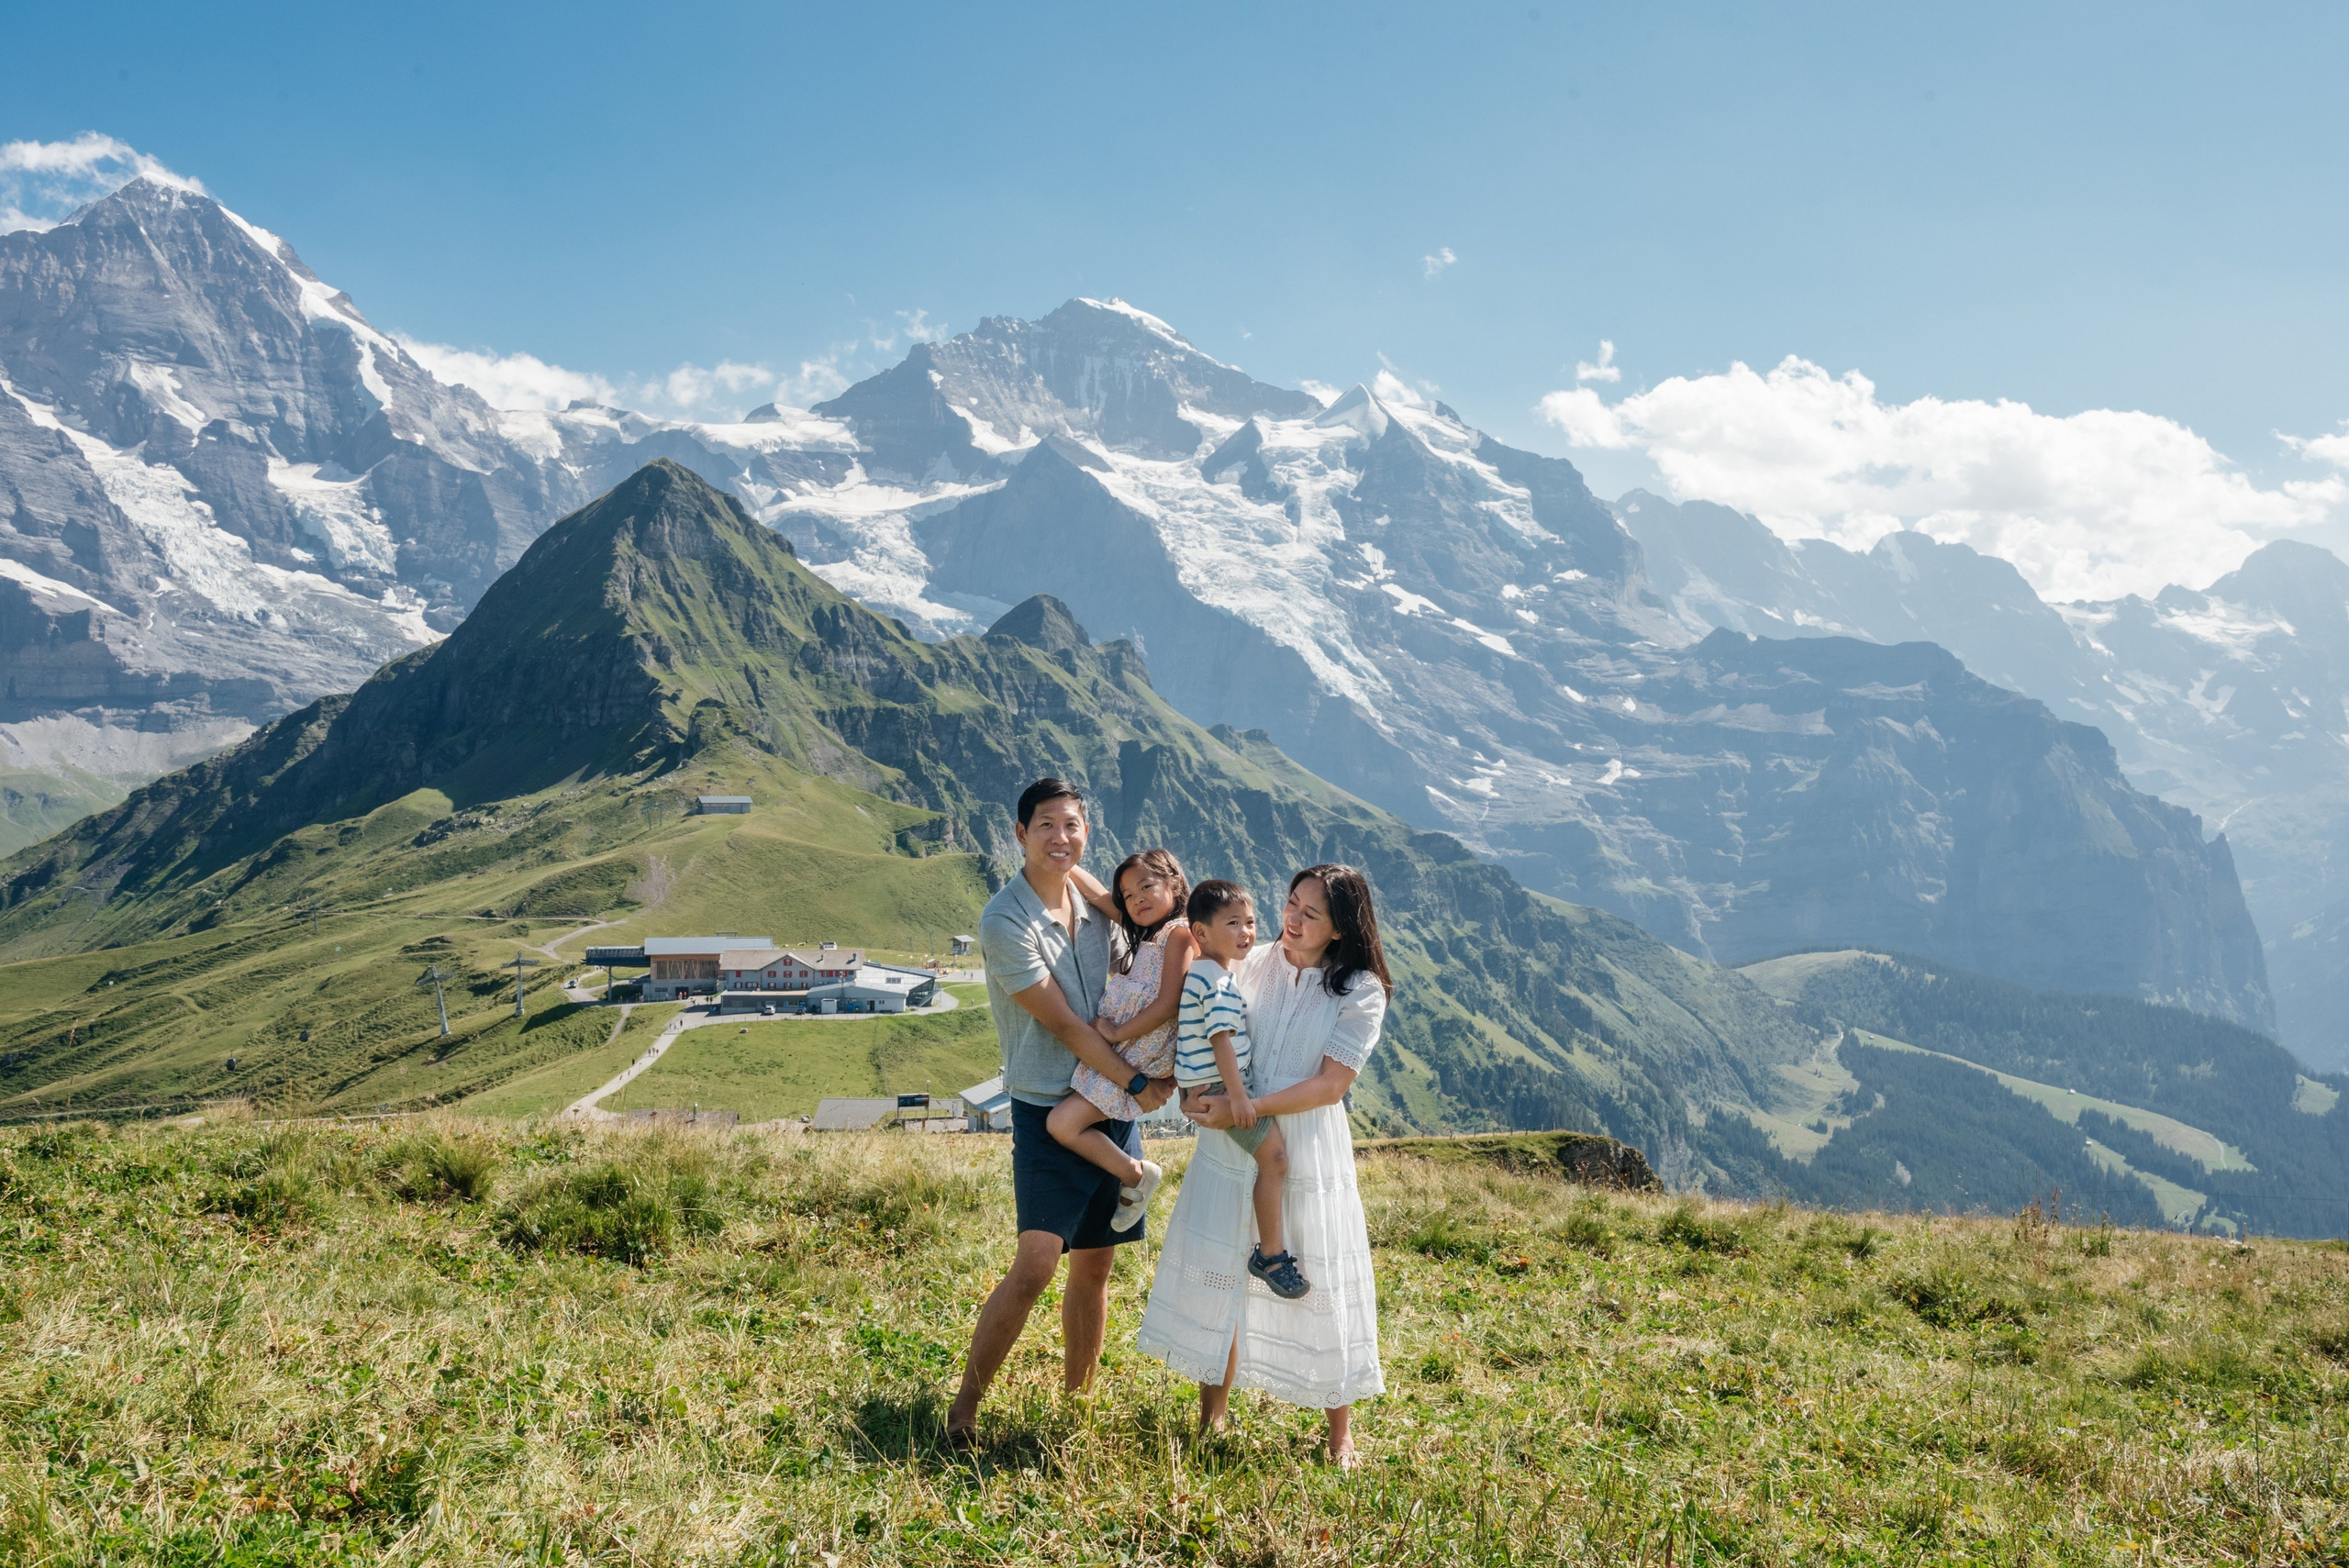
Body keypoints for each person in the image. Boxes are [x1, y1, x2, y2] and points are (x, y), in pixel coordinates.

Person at [1135, 863, 1392, 1467]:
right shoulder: (1250, 958)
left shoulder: (1361, 989)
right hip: (1232, 1136)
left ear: (1340, 928)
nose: (1292, 920)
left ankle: (1340, 1435)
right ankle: (1212, 1417)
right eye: (1291, 903)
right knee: (1221, 1271)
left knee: (1319, 1280)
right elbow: (1203, 1024)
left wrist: (1242, 1109)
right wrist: (1192, 1091)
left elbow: (1331, 1085)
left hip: (1301, 1140)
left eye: (1311, 914)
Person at [945, 779, 1175, 1448]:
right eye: (1045, 825)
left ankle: (1078, 1400)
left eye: (1072, 825)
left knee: (1096, 1264)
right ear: (1019, 834)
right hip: (1049, 1101)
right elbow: (1070, 1026)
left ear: (1086, 831)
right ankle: (965, 1407)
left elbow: (1152, 925)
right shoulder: (1004, 919)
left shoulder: (1093, 897)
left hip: (1111, 1103)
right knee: (1038, 1260)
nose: (1060, 838)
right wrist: (1137, 1078)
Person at [1171, 880, 1309, 1299]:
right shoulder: (1217, 981)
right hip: (1222, 1083)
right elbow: (1221, 1042)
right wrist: (1238, 1099)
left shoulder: (1203, 971)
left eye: (1250, 921)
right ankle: (1270, 1255)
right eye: (1233, 923)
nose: (1246, 932)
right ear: (1201, 933)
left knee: (1270, 1158)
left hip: (1204, 1080)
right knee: (1276, 1158)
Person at [1046, 850, 1197, 1230]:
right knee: (1065, 1123)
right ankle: (1128, 1174)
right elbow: (1099, 897)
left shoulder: (1179, 933)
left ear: (1175, 885)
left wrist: (1115, 1032)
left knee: (1062, 1124)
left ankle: (1136, 1175)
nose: (1136, 900)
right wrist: (1063, 862)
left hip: (1142, 1054)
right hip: (1132, 1052)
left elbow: (1168, 1003)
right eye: (1128, 895)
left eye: (1146, 887)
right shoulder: (1147, 932)